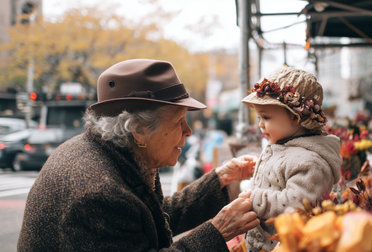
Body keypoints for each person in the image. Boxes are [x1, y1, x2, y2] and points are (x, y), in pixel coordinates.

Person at [17, 59, 259, 251]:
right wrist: (216, 232)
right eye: (178, 121)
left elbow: (148, 219)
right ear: (139, 130)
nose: (188, 131)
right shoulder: (100, 193)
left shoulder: (114, 154)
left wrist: (218, 180)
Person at [241, 66, 342, 252]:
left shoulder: (310, 162)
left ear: (296, 118)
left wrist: (253, 199)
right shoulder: (282, 147)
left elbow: (296, 206)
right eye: (258, 117)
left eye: (266, 117)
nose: (260, 124)